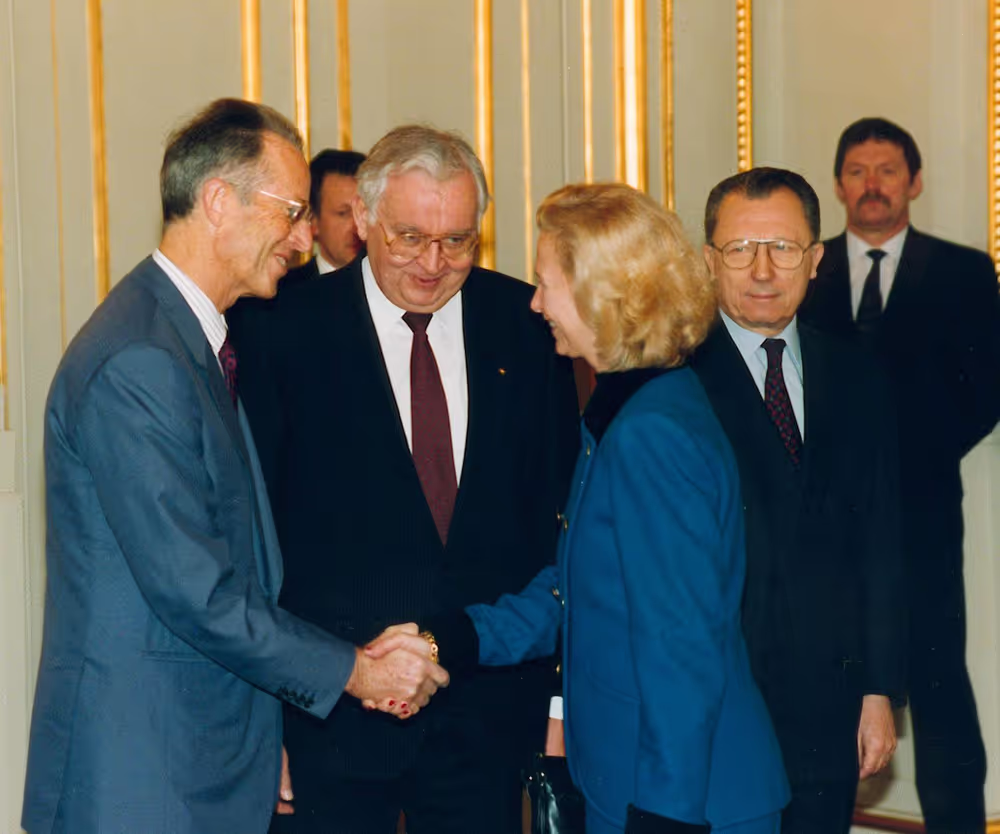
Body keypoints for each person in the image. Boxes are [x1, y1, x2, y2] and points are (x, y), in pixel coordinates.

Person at [20, 99, 448, 834]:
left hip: (203, 758)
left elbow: (247, 565)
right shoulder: (140, 361)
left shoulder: (189, 340)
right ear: (218, 202)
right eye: (290, 213)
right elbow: (201, 595)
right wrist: (356, 670)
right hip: (144, 775)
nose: (307, 238)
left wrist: (266, 736)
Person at [374, 182, 791, 834]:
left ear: (604, 293)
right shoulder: (629, 414)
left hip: (683, 802)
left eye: (546, 283)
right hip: (633, 784)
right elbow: (575, 594)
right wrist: (449, 636)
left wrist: (665, 820)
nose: (535, 303)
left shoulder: (652, 435)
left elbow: (681, 653)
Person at [229, 124, 580, 834]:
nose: (433, 263)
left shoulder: (528, 324)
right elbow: (249, 544)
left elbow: (556, 522)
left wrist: (555, 704)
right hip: (329, 717)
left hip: (484, 719)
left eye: (457, 240)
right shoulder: (279, 328)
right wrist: (264, 726)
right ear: (361, 219)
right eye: (409, 237)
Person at [688, 167, 906, 834]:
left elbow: (883, 543)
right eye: (739, 249)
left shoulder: (857, 375)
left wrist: (877, 690)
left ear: (815, 259)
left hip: (830, 699)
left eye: (782, 248)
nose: (761, 270)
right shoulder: (674, 374)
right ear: (708, 260)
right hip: (718, 700)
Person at [800, 117, 1000, 834]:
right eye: (857, 170)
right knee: (819, 672)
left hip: (922, 516)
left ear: (913, 182)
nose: (873, 184)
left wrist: (907, 457)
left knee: (939, 681)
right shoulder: (804, 270)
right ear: (838, 186)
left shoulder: (964, 271)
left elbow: (986, 388)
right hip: (814, 516)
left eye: (888, 170)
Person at [288, 148, 367, 286]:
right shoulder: (282, 294)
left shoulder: (398, 292)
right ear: (313, 221)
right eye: (343, 213)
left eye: (364, 212)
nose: (357, 227)